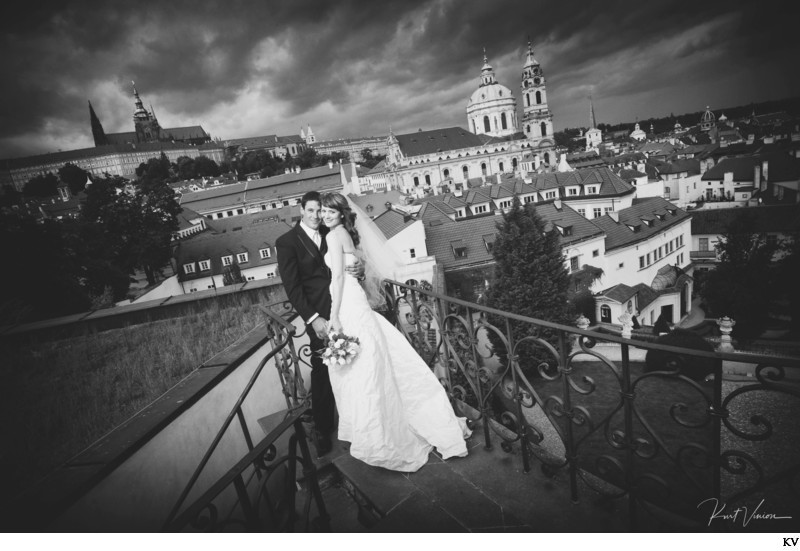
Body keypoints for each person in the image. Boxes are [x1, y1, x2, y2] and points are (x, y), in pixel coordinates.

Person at [319, 191, 470, 472]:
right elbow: (355, 266)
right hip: (355, 298)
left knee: (363, 364)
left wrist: (333, 315)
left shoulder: (332, 236)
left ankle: (378, 433)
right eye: (323, 211)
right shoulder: (346, 235)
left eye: (330, 211)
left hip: (346, 300)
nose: (325, 215)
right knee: (372, 355)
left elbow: (338, 276)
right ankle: (382, 424)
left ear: (341, 213)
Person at [275, 191, 364, 457]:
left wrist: (359, 268)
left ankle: (360, 418)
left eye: (320, 210)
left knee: (358, 361)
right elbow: (293, 287)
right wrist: (313, 319)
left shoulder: (332, 231)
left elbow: (347, 262)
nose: (316, 216)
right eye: (311, 210)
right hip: (320, 317)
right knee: (322, 371)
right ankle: (324, 429)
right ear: (301, 210)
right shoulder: (287, 242)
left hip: (346, 307)